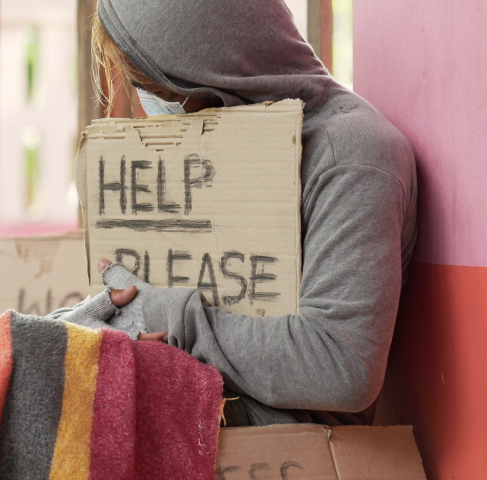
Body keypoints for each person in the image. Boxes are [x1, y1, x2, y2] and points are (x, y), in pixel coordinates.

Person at [51, 0, 417, 427]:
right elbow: (153, 299)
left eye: (149, 85)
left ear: (208, 67)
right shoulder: (218, 137)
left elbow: (342, 366)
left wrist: (163, 317)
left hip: (275, 442)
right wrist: (85, 327)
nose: (143, 102)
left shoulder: (352, 152)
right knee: (19, 361)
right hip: (192, 397)